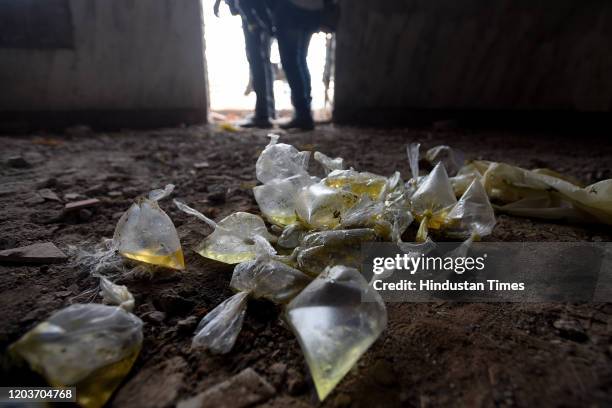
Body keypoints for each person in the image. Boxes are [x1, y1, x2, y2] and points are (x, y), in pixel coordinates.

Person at [214, 0, 276, 128]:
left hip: (254, 12)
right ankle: (267, 111)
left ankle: (263, 114)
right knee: (263, 61)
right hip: (261, 12)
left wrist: (251, 19)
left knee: (257, 61)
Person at [274, 0, 325, 130]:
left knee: (291, 62)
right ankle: (304, 112)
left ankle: (303, 114)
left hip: (292, 9)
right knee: (300, 60)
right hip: (314, 9)